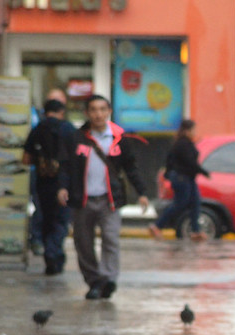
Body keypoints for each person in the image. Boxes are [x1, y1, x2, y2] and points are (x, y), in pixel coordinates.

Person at [57, 94, 150, 300]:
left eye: (102, 109)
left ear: (108, 112)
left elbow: (131, 168)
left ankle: (108, 279)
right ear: (87, 113)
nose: (98, 114)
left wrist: (142, 193)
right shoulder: (76, 138)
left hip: (110, 200)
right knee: (83, 243)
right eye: (93, 110)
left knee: (110, 239)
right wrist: (62, 188)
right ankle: (94, 281)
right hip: (82, 199)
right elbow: (65, 166)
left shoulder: (119, 139)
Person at [22, 98, 75, 275]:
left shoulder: (37, 129)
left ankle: (50, 255)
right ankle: (54, 253)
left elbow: (26, 159)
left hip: (43, 182)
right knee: (61, 220)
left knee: (46, 219)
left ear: (45, 112)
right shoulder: (68, 129)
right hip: (65, 182)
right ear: (61, 112)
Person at [148, 119, 209, 242]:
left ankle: (195, 231)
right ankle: (157, 226)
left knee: (195, 203)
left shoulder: (186, 143)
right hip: (182, 178)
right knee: (180, 203)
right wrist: (203, 171)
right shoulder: (182, 144)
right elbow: (189, 162)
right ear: (187, 131)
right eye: (193, 130)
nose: (194, 132)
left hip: (189, 178)